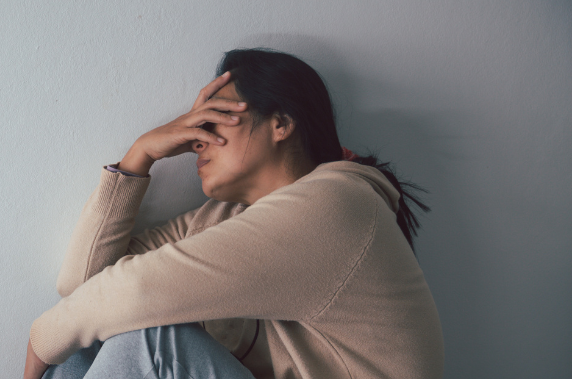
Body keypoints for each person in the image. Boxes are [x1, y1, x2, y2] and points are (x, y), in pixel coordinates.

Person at [23, 48, 444, 379]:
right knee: (87, 338)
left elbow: (130, 294)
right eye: (196, 124)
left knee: (149, 341)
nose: (196, 140)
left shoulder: (340, 204)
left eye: (215, 119)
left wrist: (40, 341)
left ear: (280, 123)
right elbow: (83, 287)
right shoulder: (223, 218)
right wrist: (140, 156)